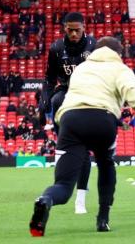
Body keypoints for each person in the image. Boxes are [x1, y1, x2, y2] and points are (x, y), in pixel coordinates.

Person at [29, 37, 135, 236]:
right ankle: (103, 218)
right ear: (118, 54)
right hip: (101, 119)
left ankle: (46, 200)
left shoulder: (81, 69)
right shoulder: (120, 69)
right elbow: (133, 95)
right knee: (105, 164)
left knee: (64, 186)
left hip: (71, 120)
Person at [43, 11, 97, 213]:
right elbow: (49, 78)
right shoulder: (56, 48)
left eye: (77, 30)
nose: (74, 34)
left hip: (89, 94)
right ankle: (61, 143)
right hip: (66, 92)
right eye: (70, 30)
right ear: (64, 28)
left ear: (84, 27)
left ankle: (80, 198)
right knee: (56, 99)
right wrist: (44, 99)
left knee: (85, 150)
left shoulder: (95, 46)